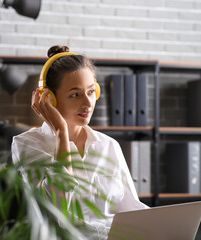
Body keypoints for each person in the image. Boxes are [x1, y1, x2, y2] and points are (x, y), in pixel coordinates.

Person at [11, 45, 148, 239]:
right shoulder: (27, 144)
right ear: (50, 99)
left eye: (91, 92)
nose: (88, 103)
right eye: (75, 94)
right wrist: (61, 132)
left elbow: (131, 209)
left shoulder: (109, 145)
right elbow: (59, 210)